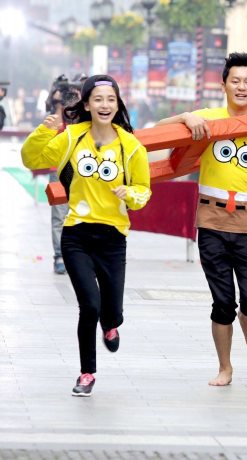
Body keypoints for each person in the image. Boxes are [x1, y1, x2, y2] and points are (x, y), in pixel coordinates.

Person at [156, 53, 247, 386]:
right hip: (211, 223)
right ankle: (225, 367)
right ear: (224, 84)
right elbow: (156, 132)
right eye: (235, 80)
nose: (241, 87)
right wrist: (186, 117)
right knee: (222, 301)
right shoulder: (206, 119)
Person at [21, 75, 151, 396]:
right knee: (89, 305)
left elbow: (143, 189)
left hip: (113, 238)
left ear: (117, 104)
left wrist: (130, 194)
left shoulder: (130, 146)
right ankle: (87, 373)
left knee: (112, 311)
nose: (105, 105)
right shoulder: (72, 137)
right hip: (76, 234)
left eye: (110, 99)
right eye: (98, 99)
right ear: (87, 104)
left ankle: (111, 324)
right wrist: (44, 131)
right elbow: (31, 159)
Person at [45, 75, 83, 274]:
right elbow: (53, 132)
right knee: (59, 215)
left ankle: (79, 257)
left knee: (81, 213)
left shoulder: (84, 113)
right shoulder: (55, 115)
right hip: (58, 170)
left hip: (82, 169)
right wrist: (59, 103)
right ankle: (59, 256)